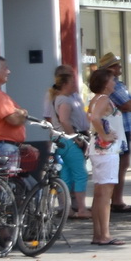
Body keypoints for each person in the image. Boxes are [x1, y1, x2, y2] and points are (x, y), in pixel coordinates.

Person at [96, 53, 131, 212]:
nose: (120, 67)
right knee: (121, 164)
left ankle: (115, 199)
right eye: (117, 65)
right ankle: (116, 200)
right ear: (110, 69)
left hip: (122, 128)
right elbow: (130, 105)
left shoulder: (116, 85)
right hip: (120, 129)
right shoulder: (113, 86)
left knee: (122, 164)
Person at [85, 66, 124, 246]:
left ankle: (98, 234)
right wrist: (105, 135)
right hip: (106, 150)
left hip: (98, 150)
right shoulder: (104, 99)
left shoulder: (95, 99)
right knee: (105, 194)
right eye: (111, 79)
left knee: (99, 193)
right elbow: (95, 118)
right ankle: (104, 234)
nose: (114, 81)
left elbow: (92, 117)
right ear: (105, 83)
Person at [50, 68, 90, 220]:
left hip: (60, 140)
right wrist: (76, 138)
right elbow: (64, 120)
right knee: (80, 174)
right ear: (65, 84)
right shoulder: (65, 100)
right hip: (68, 140)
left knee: (65, 175)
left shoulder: (59, 98)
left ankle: (67, 209)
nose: (75, 84)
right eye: (72, 82)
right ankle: (81, 208)